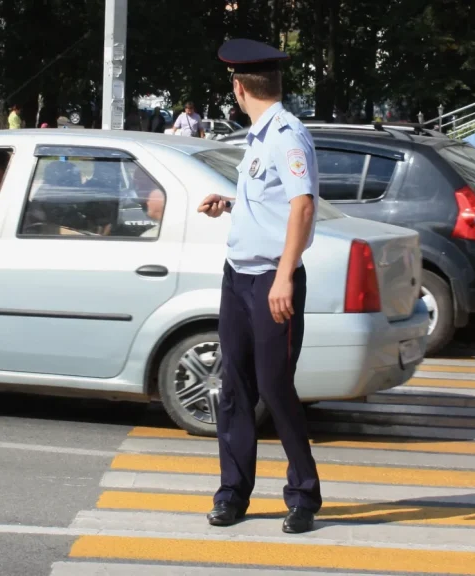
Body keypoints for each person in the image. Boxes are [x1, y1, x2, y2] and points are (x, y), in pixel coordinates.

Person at [197, 38, 321, 535]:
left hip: (273, 280)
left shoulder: (288, 135)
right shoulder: (258, 137)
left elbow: (303, 206)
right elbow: (272, 204)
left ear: (239, 86)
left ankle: (304, 494)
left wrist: (285, 276)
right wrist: (230, 204)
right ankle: (232, 494)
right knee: (235, 389)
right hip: (238, 276)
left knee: (274, 386)